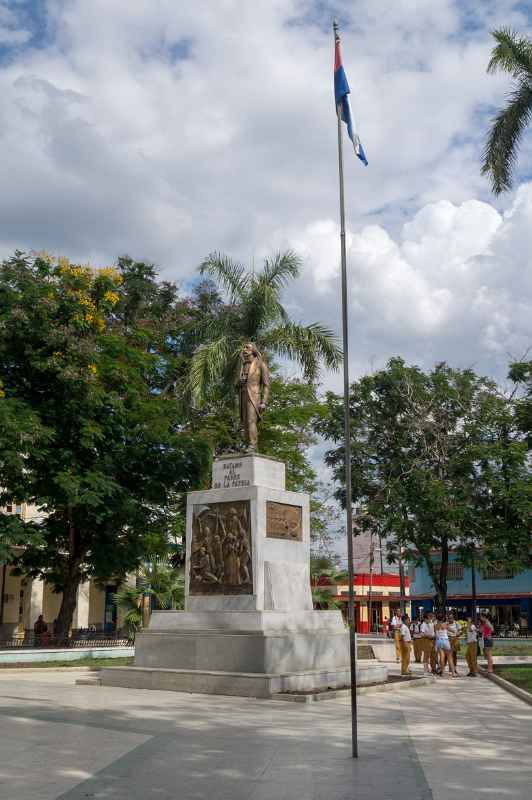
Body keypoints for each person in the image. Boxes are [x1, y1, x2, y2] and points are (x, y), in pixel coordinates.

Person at [446, 612, 461, 677]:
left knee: (454, 655)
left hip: (455, 639)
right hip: (448, 639)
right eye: (449, 618)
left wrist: (458, 633)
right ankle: (449, 669)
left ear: (453, 618)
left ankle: (454, 668)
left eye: (451, 618)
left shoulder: (456, 623)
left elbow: (460, 631)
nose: (450, 619)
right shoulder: (446, 624)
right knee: (448, 656)